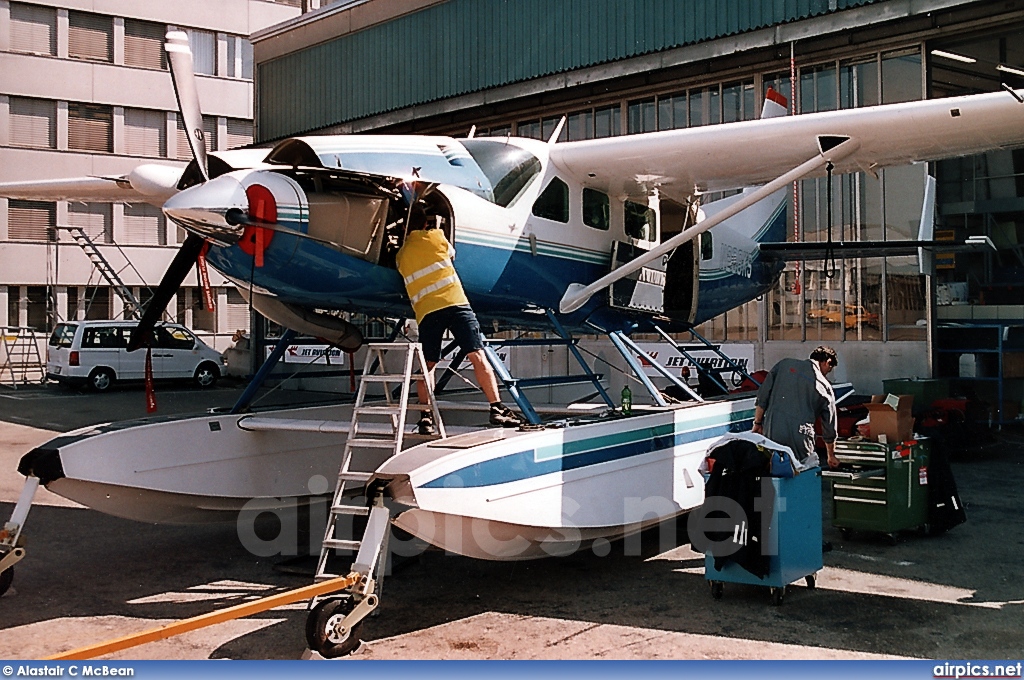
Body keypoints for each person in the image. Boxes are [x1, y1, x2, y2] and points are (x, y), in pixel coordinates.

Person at [395, 208, 521, 434]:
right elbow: (451, 254)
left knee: (428, 365)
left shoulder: (401, 255)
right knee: (477, 355)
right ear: (426, 224)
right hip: (455, 303)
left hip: (427, 312)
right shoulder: (435, 237)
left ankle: (425, 416)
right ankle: (497, 408)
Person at [751, 346, 840, 470]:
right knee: (800, 472)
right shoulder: (825, 386)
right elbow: (829, 426)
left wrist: (758, 423)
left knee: (774, 469)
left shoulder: (784, 365)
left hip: (773, 430)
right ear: (828, 362)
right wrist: (831, 455)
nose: (827, 374)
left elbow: (762, 398)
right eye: (829, 369)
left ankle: (774, 489)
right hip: (801, 437)